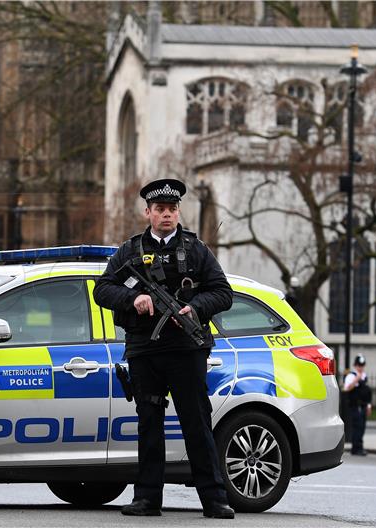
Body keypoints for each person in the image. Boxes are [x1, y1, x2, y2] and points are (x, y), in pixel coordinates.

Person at [94, 178, 235, 519]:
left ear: (178, 212)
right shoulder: (129, 251)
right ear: (148, 213)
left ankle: (214, 500)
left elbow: (223, 292)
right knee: (149, 424)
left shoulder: (196, 250)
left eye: (172, 209)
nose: (167, 215)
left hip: (186, 349)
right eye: (160, 209)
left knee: (196, 423)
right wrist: (134, 298)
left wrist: (196, 308)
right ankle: (147, 499)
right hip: (145, 349)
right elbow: (102, 289)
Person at [343, 354, 372, 456]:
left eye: (362, 365)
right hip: (355, 406)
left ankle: (360, 447)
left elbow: (368, 392)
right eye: (359, 365)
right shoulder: (351, 376)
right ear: (355, 365)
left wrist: (369, 405)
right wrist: (356, 380)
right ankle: (355, 448)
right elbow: (346, 389)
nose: (361, 367)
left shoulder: (364, 377)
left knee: (362, 427)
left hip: (363, 406)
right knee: (357, 426)